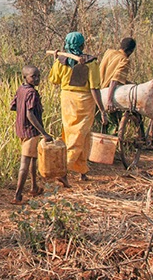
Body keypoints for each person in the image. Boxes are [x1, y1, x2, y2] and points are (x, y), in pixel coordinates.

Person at [48, 32, 105, 182]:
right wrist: (102, 110)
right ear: (82, 45)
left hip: (68, 102)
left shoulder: (61, 61)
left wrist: (55, 60)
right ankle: (64, 170)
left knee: (76, 135)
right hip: (85, 102)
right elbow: (94, 88)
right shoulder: (91, 62)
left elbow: (54, 80)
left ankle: (82, 171)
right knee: (80, 136)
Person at [9, 65, 53, 204]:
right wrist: (44, 133)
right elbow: (30, 114)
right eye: (33, 76)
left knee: (33, 159)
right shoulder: (32, 93)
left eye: (38, 76)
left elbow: (14, 106)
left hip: (22, 129)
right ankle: (17, 196)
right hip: (31, 131)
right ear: (25, 77)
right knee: (25, 163)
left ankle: (34, 187)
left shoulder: (21, 89)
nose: (37, 79)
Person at [100, 37, 136, 111]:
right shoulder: (124, 60)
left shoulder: (109, 52)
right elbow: (114, 80)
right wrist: (109, 100)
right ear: (131, 51)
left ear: (120, 45)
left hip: (96, 90)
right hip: (105, 93)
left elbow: (110, 74)